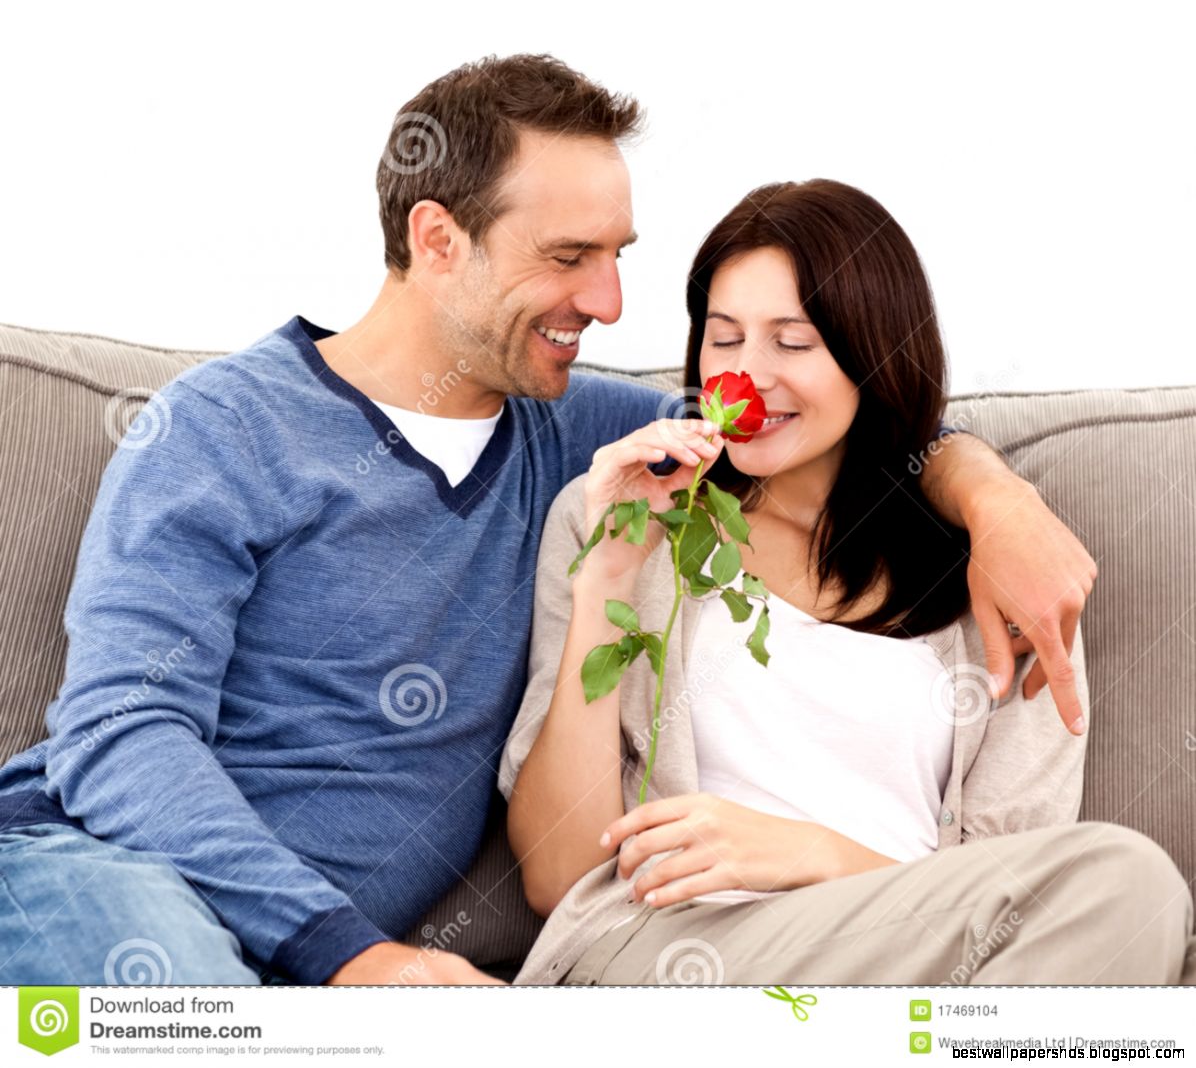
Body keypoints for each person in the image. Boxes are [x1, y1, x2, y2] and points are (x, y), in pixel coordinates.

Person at [0, 56, 1097, 987]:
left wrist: (993, 501)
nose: (612, 302)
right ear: (438, 240)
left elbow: (837, 414)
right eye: (569, 258)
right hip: (94, 873)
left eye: (619, 254)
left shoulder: (585, 435)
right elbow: (119, 733)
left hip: (316, 973)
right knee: (177, 980)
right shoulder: (222, 427)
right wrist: (354, 953)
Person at [500, 179, 1196, 986]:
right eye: (723, 340)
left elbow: (1013, 891)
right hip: (678, 954)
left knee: (1125, 892)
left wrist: (810, 855)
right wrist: (605, 586)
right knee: (1126, 880)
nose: (746, 376)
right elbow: (559, 878)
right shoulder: (616, 518)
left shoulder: (996, 575)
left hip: (906, 974)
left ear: (873, 355)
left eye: (792, 343)